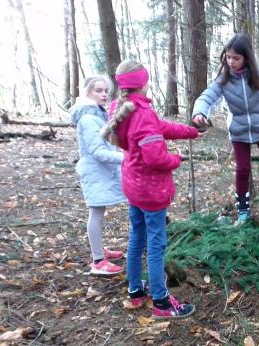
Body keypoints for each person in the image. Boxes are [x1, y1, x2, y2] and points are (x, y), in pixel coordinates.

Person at [101, 60, 198, 319]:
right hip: (150, 191)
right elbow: (156, 158)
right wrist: (176, 160)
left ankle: (135, 291)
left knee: (137, 239)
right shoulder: (142, 113)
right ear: (143, 82)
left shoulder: (123, 109)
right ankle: (161, 301)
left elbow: (161, 128)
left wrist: (191, 132)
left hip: (134, 187)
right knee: (156, 246)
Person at [192, 33, 259, 223]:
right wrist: (200, 112)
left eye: (236, 58)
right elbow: (207, 96)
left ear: (246, 57)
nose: (231, 61)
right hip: (239, 130)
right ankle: (243, 210)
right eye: (228, 57)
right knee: (243, 169)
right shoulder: (224, 78)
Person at [70, 75, 126, 276]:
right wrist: (125, 158)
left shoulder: (97, 115)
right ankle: (98, 261)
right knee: (95, 214)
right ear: (87, 92)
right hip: (95, 172)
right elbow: (98, 152)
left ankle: (99, 251)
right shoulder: (88, 118)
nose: (104, 95)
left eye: (105, 91)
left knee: (98, 213)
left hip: (100, 172)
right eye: (98, 91)